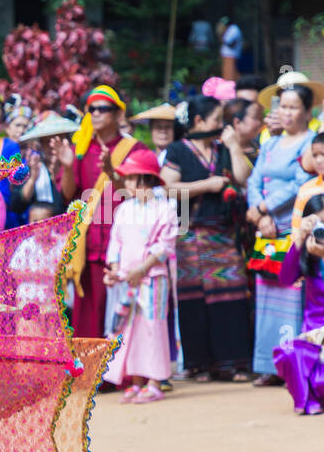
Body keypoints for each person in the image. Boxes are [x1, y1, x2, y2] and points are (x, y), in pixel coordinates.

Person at [160, 95, 252, 381]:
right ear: (199, 121)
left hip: (223, 233)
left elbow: (243, 177)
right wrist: (206, 185)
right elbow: (167, 187)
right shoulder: (177, 150)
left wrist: (235, 146)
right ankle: (201, 364)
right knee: (193, 299)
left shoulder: (222, 147)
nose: (220, 125)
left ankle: (234, 362)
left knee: (232, 293)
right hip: (188, 236)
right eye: (215, 119)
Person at [59, 85, 154, 338]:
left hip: (125, 241)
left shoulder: (135, 149)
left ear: (118, 114)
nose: (97, 114)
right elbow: (69, 194)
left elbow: (144, 193)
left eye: (104, 109)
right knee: (89, 313)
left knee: (122, 312)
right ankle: (90, 374)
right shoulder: (80, 149)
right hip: (89, 242)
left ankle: (121, 376)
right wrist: (68, 167)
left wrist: (113, 175)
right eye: (92, 109)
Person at [247, 80, 320, 385]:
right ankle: (268, 364)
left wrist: (264, 208)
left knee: (292, 296)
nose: (286, 113)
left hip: (292, 225)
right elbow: (254, 178)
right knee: (267, 296)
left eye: (293, 107)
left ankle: (291, 365)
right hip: (265, 228)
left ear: (306, 111)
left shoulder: (312, 142)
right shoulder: (270, 142)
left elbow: (300, 182)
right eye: (283, 107)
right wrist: (256, 210)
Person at [103, 151, 178, 401]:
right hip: (127, 279)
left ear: (147, 179)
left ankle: (155, 381)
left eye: (132, 178)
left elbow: (165, 247)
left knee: (152, 326)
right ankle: (136, 380)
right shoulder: (124, 209)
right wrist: (114, 270)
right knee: (130, 329)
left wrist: (141, 269)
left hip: (152, 278)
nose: (127, 184)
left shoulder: (165, 209)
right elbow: (116, 242)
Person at [272, 192, 324, 413]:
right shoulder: (308, 251)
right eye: (320, 223)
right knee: (290, 353)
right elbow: (285, 278)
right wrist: (298, 241)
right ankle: (311, 398)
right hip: (316, 334)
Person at [217, 17, 242, 82]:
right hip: (227, 56)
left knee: (230, 76)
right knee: (230, 74)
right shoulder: (229, 29)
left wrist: (221, 35)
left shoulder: (234, 29)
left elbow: (231, 44)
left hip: (230, 55)